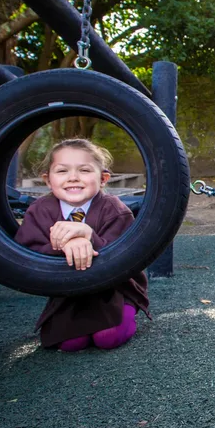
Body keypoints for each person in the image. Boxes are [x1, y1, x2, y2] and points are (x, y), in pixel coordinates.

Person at [16, 138, 148, 352]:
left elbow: (125, 256)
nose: (73, 178)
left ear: (103, 178)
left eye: (84, 170)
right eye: (62, 171)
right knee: (69, 344)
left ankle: (128, 309)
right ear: (48, 180)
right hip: (69, 294)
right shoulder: (40, 211)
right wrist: (64, 245)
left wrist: (89, 236)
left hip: (112, 291)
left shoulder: (114, 209)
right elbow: (26, 250)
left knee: (108, 338)